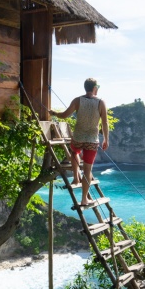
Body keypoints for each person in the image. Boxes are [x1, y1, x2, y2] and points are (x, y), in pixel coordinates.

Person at [49, 78, 109, 206]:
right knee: (88, 169)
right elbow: (105, 123)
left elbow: (65, 115)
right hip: (92, 140)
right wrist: (106, 139)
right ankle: (84, 199)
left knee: (74, 152)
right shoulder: (101, 102)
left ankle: (76, 178)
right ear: (94, 88)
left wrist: (54, 113)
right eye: (97, 87)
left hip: (78, 137)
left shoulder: (77, 100)